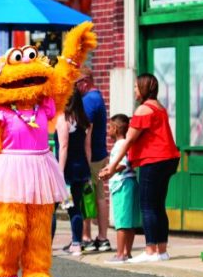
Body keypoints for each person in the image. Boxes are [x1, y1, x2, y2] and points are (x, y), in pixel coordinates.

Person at [107, 73, 180, 263]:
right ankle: (161, 250)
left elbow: (129, 140)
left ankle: (150, 250)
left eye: (136, 87)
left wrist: (111, 167)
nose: (134, 90)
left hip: (153, 160)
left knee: (147, 207)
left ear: (144, 88)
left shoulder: (143, 110)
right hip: (168, 159)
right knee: (158, 206)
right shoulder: (160, 108)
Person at [98, 114, 141, 263]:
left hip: (122, 185)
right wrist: (107, 169)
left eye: (109, 127)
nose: (108, 130)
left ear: (115, 129)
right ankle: (127, 253)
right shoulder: (125, 144)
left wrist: (111, 171)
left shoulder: (119, 145)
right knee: (129, 221)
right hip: (130, 183)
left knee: (121, 221)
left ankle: (120, 254)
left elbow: (122, 164)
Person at [77, 69, 111, 252]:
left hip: (91, 157)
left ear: (85, 82)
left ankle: (86, 236)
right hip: (100, 154)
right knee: (99, 196)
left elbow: (86, 133)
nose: (75, 88)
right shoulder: (97, 97)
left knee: (88, 195)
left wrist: (85, 159)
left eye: (76, 84)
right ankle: (102, 238)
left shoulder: (89, 101)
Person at [57, 89, 92, 257]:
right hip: (81, 168)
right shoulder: (85, 122)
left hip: (67, 170)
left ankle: (45, 245)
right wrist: (90, 171)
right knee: (75, 207)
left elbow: (63, 147)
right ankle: (77, 243)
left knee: (51, 208)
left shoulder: (64, 120)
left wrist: (59, 172)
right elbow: (88, 148)